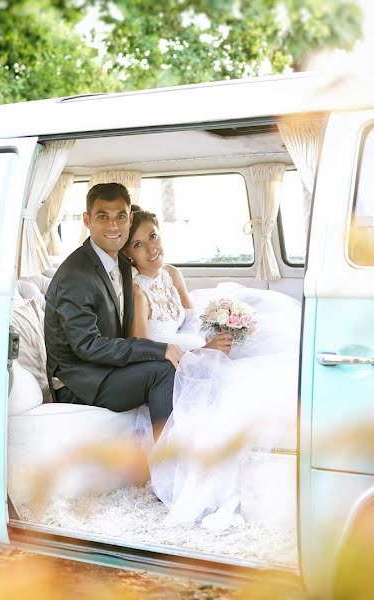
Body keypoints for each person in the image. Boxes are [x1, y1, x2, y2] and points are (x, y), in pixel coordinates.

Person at [121, 205, 301, 531]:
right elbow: (143, 351)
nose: (151, 248)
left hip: (194, 351)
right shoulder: (137, 292)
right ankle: (219, 485)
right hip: (170, 366)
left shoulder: (172, 274)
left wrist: (217, 337)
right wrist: (202, 353)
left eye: (153, 236)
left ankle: (262, 476)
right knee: (235, 387)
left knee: (258, 371)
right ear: (128, 255)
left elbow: (191, 323)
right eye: (138, 244)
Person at [44, 184, 184, 435]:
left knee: (181, 368)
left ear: (130, 218)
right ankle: (166, 467)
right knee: (162, 372)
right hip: (79, 382)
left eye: (120, 216)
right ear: (87, 220)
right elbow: (88, 345)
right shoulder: (75, 275)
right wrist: (156, 349)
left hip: (105, 368)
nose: (113, 226)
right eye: (102, 217)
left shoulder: (119, 261)